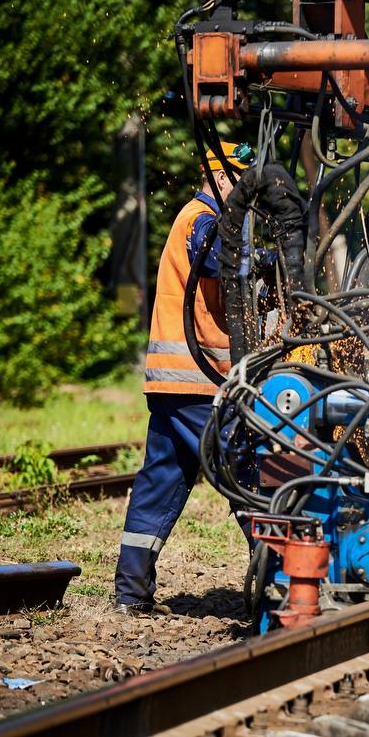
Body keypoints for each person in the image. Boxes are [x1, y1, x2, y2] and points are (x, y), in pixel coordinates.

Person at [114, 141, 255, 614]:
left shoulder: (202, 218)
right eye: (239, 179)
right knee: (243, 470)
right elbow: (220, 269)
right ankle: (279, 577)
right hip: (198, 380)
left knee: (161, 481)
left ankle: (131, 594)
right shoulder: (204, 219)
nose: (245, 190)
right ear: (219, 176)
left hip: (174, 382)